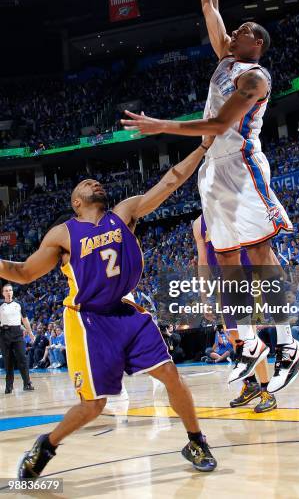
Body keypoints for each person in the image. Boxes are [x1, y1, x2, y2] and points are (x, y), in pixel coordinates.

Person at [122, 0, 299, 395]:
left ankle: (287, 342)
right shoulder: (227, 58)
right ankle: (248, 343)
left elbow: (218, 126)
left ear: (256, 45)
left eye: (244, 31)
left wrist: (160, 125)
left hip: (241, 167)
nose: (235, 31)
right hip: (213, 173)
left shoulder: (255, 79)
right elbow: (209, 5)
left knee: (261, 253)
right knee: (224, 256)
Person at [0, 139, 217, 479]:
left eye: (96, 182)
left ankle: (196, 440)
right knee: (94, 405)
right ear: (76, 201)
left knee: (171, 375)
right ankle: (46, 445)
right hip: (88, 320)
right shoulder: (63, 233)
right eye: (86, 184)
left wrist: (203, 146)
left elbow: (170, 181)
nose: (94, 183)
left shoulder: (124, 213)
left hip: (126, 311)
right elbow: (24, 272)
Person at [193, 215, 277, 412]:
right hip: (225, 282)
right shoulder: (198, 223)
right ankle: (251, 384)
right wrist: (204, 297)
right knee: (233, 337)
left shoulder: (235, 205)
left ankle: (267, 391)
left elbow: (261, 243)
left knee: (249, 336)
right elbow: (203, 261)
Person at [0, 283, 35, 394]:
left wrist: (30, 333)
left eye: (10, 290)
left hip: (17, 334)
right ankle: (9, 386)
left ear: (13, 292)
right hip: (4, 334)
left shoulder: (19, 304)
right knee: (8, 361)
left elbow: (25, 320)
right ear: (3, 293)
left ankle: (27, 384)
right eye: (6, 290)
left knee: (22, 359)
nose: (9, 292)